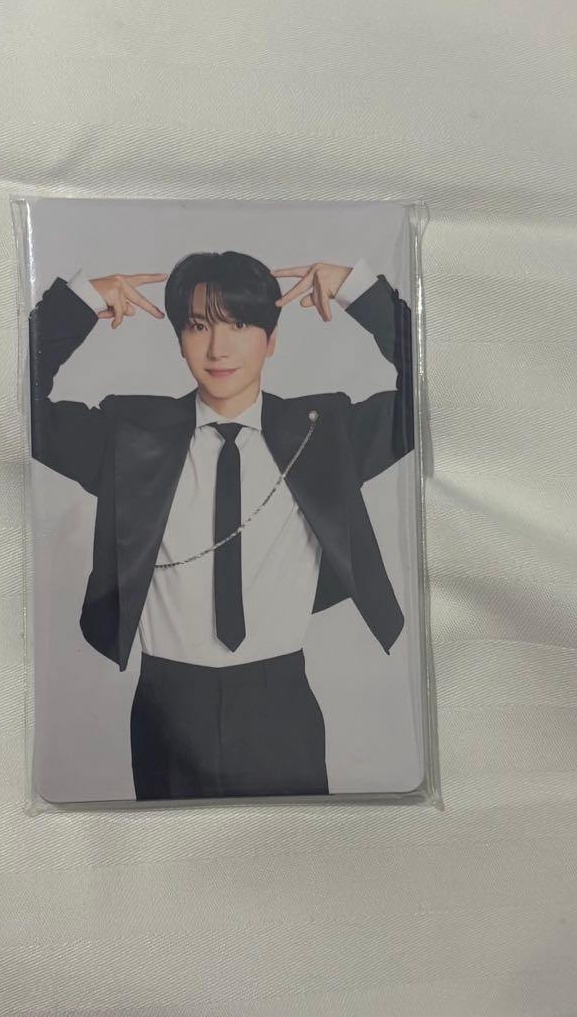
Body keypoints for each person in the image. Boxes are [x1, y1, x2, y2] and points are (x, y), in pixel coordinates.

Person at [28, 250, 414, 800]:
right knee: (172, 854)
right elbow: (11, 408)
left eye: (239, 325)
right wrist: (79, 304)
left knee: (292, 852)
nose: (218, 348)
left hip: (279, 700)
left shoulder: (323, 435)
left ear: (271, 339)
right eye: (198, 326)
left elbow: (436, 396)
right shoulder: (130, 436)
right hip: (167, 703)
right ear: (178, 339)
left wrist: (361, 290)